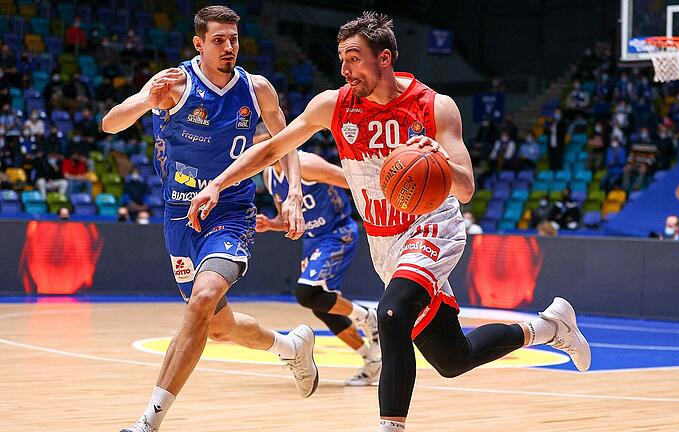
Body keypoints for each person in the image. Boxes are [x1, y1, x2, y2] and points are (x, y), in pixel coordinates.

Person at [187, 12, 591, 432]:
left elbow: (467, 188)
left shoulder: (434, 106)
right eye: (341, 59)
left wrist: (436, 154)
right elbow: (272, 150)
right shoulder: (334, 104)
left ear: (384, 58)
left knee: (392, 313)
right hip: (385, 243)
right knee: (453, 358)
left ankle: (390, 427)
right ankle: (548, 326)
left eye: (354, 58)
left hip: (432, 226)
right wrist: (217, 183)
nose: (344, 69)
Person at [102, 7, 318, 432]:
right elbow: (110, 124)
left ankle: (148, 421)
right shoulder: (174, 85)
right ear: (199, 44)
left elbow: (288, 140)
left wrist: (293, 191)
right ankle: (291, 346)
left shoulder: (257, 90)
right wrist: (146, 99)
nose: (229, 47)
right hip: (180, 218)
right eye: (218, 40)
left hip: (231, 213)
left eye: (233, 39)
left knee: (202, 300)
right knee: (217, 326)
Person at [260, 150, 381, 386]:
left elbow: (351, 180)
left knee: (307, 293)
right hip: (312, 240)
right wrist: (269, 224)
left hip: (337, 233)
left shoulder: (305, 163)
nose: (263, 152)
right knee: (321, 306)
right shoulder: (268, 174)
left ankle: (368, 316)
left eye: (266, 145)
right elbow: (285, 219)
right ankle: (372, 362)